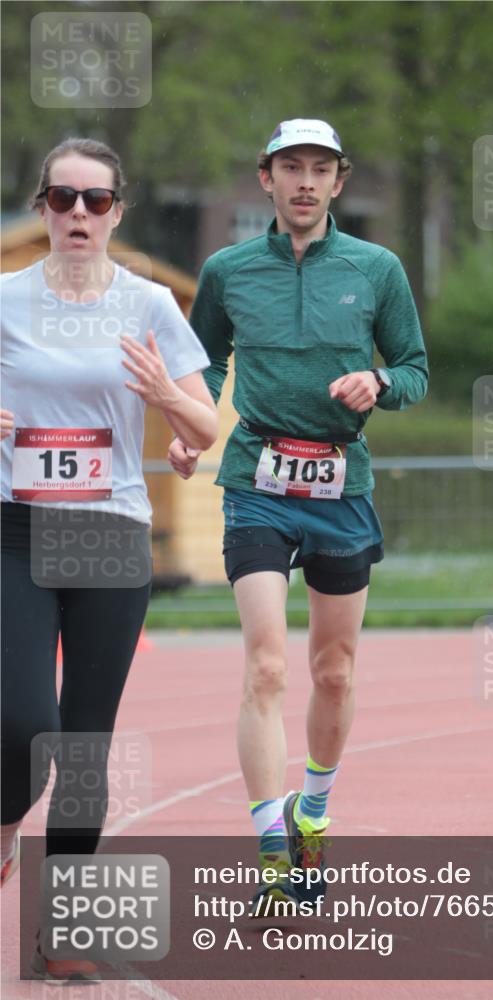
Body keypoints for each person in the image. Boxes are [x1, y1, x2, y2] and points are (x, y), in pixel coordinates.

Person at [169, 118, 428, 913]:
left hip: (340, 485)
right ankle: (273, 850)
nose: (305, 181)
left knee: (332, 669)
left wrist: (379, 386)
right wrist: (188, 427)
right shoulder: (227, 269)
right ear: (266, 179)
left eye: (320, 168)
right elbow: (202, 361)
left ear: (339, 182)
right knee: (267, 663)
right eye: (291, 168)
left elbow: (414, 368)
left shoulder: (376, 268)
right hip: (255, 479)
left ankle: (313, 812)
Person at [0, 137, 217, 981]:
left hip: (110, 531)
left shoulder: (151, 305)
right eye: (62, 199)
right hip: (15, 528)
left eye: (95, 201)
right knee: (20, 723)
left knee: (85, 740)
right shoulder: (5, 299)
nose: (78, 215)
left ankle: (63, 926)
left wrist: (166, 396)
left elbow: (203, 427)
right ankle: (6, 821)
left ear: (117, 212)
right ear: (42, 208)